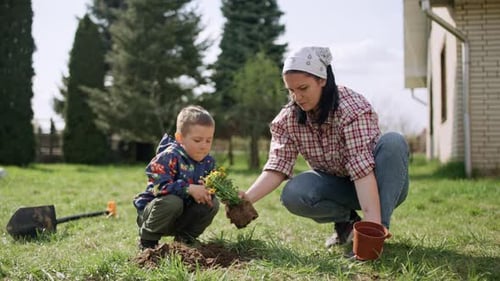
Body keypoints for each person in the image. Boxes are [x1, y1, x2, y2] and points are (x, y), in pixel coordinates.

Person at [239, 46, 409, 251]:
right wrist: (246, 200)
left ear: (322, 80)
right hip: (338, 188)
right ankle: (347, 224)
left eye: (303, 88)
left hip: (379, 184)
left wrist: (371, 224)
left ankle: (376, 229)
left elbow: (362, 170)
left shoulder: (352, 108)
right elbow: (277, 166)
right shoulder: (288, 119)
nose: (297, 97)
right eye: (291, 91)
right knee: (294, 193)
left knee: (393, 141)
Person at [133, 105, 219, 250]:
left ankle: (184, 240)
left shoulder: (208, 162)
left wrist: (211, 191)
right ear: (180, 138)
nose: (204, 146)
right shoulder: (169, 156)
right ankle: (148, 241)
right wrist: (189, 188)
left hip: (183, 216)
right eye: (197, 140)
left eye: (208, 141)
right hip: (156, 214)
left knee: (212, 203)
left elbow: (212, 187)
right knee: (173, 201)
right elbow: (157, 187)